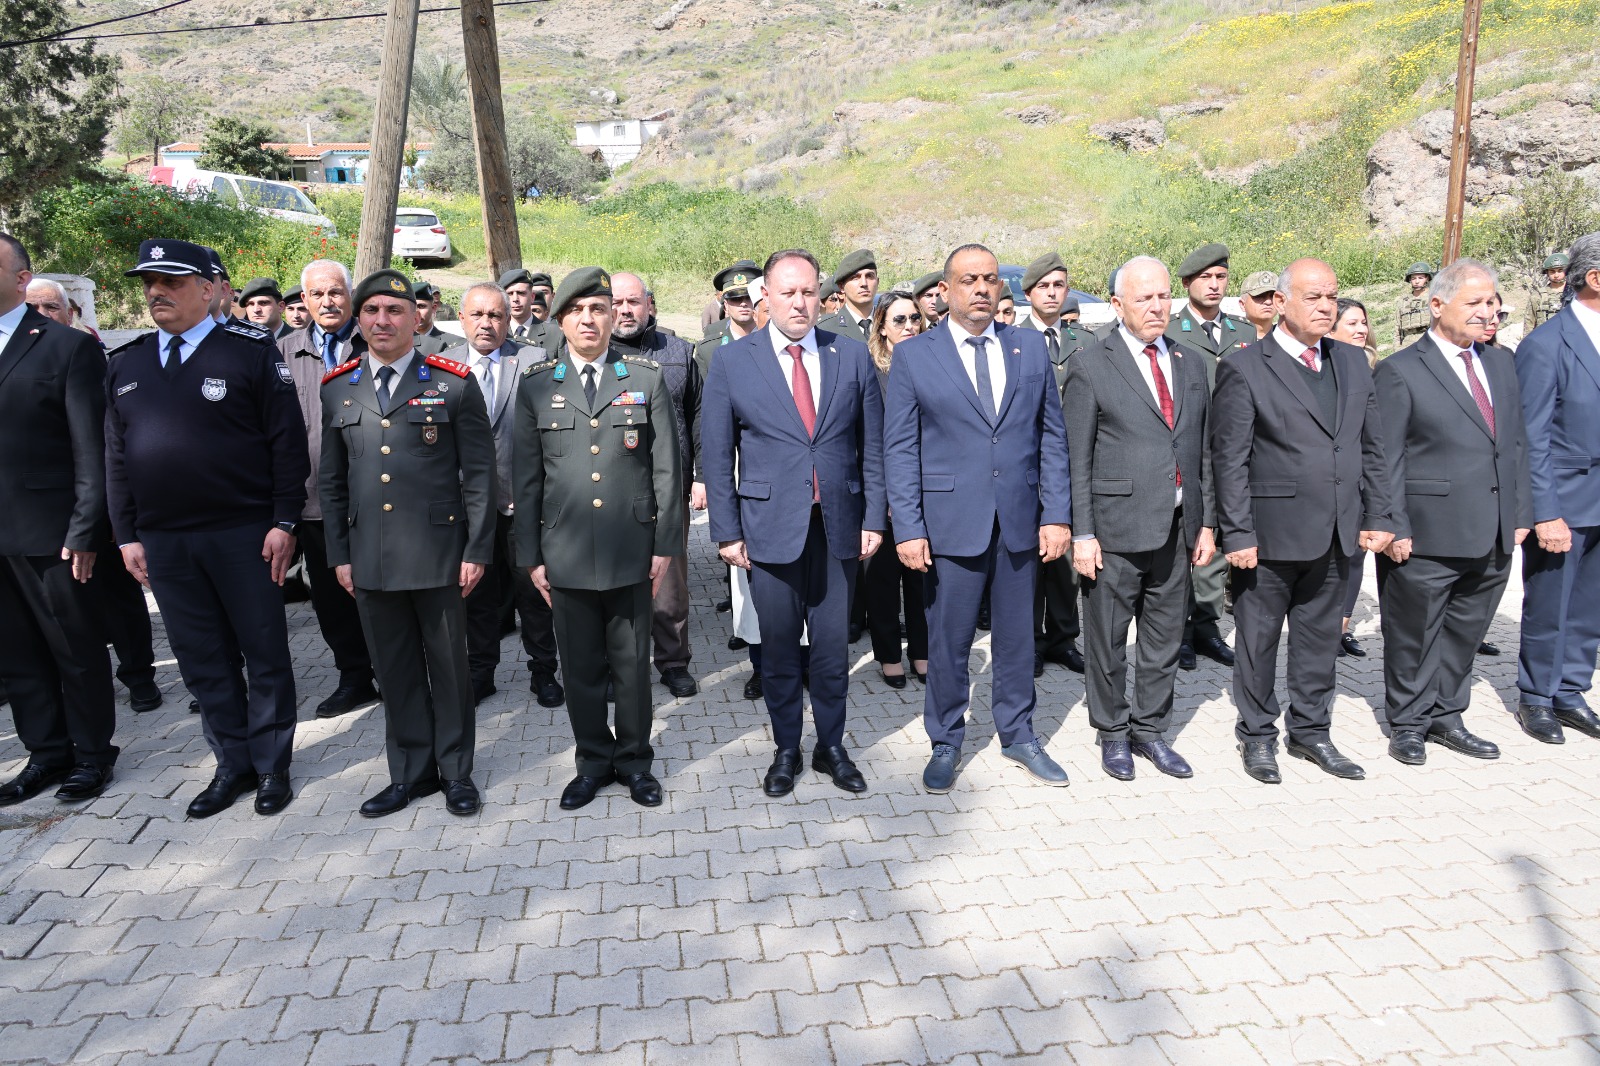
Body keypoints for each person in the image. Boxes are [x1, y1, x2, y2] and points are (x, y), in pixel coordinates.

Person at [105, 238, 309, 819]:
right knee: (201, 658)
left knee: (263, 652)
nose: (156, 292)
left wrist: (284, 520)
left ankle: (271, 765)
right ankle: (232, 763)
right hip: (165, 541)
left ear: (207, 288)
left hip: (244, 533)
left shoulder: (248, 351)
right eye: (149, 283)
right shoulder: (126, 362)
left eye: (170, 282)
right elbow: (115, 457)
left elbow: (287, 444)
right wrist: (126, 535)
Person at [884, 243, 1073, 793]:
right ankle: (945, 739)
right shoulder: (916, 355)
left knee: (1017, 638)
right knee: (949, 640)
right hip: (949, 524)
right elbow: (900, 449)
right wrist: (909, 527)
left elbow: (1051, 437)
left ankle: (1018, 734)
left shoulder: (1028, 347)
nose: (983, 288)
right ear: (946, 290)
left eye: (990, 278)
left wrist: (1057, 515)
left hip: (1019, 520)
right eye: (969, 280)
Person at [702, 249, 884, 796]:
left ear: (821, 294)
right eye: (788, 292)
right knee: (779, 649)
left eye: (808, 291)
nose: (800, 302)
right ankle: (786, 749)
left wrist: (875, 518)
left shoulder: (851, 356)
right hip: (768, 529)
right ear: (767, 297)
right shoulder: (733, 362)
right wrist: (727, 532)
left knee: (831, 650)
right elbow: (718, 454)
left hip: (838, 528)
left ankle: (831, 747)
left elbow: (873, 447)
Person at [319, 269, 496, 818]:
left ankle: (456, 772)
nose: (382, 321)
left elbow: (480, 476)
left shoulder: (453, 383)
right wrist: (339, 555)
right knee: (394, 672)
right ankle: (410, 774)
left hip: (439, 555)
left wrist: (477, 550)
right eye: (371, 311)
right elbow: (331, 482)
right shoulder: (338, 387)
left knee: (449, 669)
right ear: (358, 319)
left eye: (394, 310)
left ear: (416, 319)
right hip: (370, 557)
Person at [1212, 258, 1394, 785]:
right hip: (1269, 537)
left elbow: (1374, 446)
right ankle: (1257, 735)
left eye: (1332, 296)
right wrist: (1237, 532)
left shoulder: (1352, 361)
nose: (1325, 306)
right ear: (1281, 302)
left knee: (1319, 643)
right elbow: (1230, 459)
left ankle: (1311, 732)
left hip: (1337, 532)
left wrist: (1379, 513)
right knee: (1258, 642)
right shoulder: (1246, 367)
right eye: (1313, 297)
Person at [514, 268, 684, 812]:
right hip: (563, 551)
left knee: (632, 666)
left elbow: (667, 471)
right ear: (560, 319)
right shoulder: (537, 384)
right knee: (581, 667)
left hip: (631, 548)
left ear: (613, 317)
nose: (589, 319)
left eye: (599, 309)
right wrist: (530, 557)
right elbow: (526, 480)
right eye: (578, 310)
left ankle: (634, 762)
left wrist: (664, 545)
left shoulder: (645, 378)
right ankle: (591, 761)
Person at [1373, 259, 1531, 767]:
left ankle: (1447, 715)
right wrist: (1393, 524)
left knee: (1465, 631)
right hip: (1426, 532)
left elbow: (1515, 444)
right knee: (1414, 634)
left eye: (1492, 303)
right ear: (1437, 305)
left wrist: (1521, 512)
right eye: (1475, 303)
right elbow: (1385, 457)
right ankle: (1408, 723)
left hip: (1492, 529)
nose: (1488, 312)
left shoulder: (1500, 364)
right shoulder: (1400, 369)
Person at [1066, 256, 1215, 781]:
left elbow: (1202, 450)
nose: (1156, 307)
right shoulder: (1090, 365)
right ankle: (1112, 733)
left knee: (1164, 638)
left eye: (1163, 296)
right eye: (1143, 297)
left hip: (1177, 529)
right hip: (1114, 530)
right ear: (1117, 304)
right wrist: (1083, 533)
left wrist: (1207, 523)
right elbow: (1076, 460)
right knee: (1107, 640)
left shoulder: (1189, 363)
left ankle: (1150, 731)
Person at [0, 233, 120, 807]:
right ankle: (47, 752)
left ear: (21, 277)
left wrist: (85, 528)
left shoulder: (64, 347)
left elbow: (90, 449)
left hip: (51, 531)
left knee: (74, 648)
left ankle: (93, 754)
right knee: (17, 653)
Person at [443, 282, 562, 708]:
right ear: (462, 319)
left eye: (495, 315)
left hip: (521, 503)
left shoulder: (533, 359)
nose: (486, 323)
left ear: (508, 319)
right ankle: (481, 673)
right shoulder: (442, 365)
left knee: (534, 592)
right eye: (477, 315)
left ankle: (543, 670)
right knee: (475, 593)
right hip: (465, 507)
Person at [278, 260, 379, 718]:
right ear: (303, 300)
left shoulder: (376, 340)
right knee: (332, 598)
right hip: (316, 501)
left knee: (384, 591)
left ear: (350, 295)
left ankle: (396, 672)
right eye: (317, 294)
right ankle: (354, 677)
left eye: (335, 292)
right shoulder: (281, 353)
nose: (327, 301)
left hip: (378, 496)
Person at [1515, 231, 1600, 745]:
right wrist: (1545, 511)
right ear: (1595, 278)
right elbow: (1532, 437)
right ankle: (1537, 697)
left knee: (1589, 606)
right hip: (1565, 499)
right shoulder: (1546, 344)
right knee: (1550, 604)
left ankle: (1571, 691)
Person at [610, 272, 703, 699]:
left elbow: (699, 415)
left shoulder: (679, 351)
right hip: (612, 490)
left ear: (649, 304)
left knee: (669, 584)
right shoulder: (593, 353)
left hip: (669, 487)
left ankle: (673, 661)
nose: (624, 310)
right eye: (616, 302)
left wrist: (701, 476)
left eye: (633, 301)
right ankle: (623, 665)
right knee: (616, 582)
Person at [1166, 243, 1246, 672]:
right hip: (1188, 448)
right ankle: (1177, 629)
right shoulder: (1171, 332)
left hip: (1233, 450)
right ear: (1187, 284)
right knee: (1185, 540)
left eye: (1221, 277)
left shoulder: (1243, 332)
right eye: (1205, 278)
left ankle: (1207, 626)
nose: (1214, 285)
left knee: (1216, 543)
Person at [1018, 251, 1086, 675]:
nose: (1052, 293)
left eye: (1059, 285)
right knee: (1028, 559)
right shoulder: (1012, 340)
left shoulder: (1084, 341)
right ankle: (1030, 641)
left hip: (1072, 461)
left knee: (1065, 561)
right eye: (1043, 286)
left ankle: (1063, 638)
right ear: (1028, 294)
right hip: (1027, 462)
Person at [862, 292, 928, 689]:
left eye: (915, 318)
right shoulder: (870, 371)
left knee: (923, 580)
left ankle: (922, 652)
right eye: (899, 320)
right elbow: (868, 442)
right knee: (883, 582)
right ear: (882, 328)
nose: (909, 326)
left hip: (927, 491)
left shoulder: (933, 363)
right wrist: (884, 497)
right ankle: (889, 656)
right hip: (881, 492)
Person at [1330, 297, 1377, 659]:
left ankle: (1341, 628)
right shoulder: (1323, 368)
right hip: (1331, 477)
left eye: (1364, 323)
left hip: (1362, 474)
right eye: (1352, 323)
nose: (1361, 329)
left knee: (1356, 554)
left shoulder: (1373, 366)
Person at [823, 249, 877, 342]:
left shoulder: (893, 323)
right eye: (855, 278)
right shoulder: (825, 328)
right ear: (841, 286)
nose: (864, 283)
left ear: (877, 282)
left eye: (869, 276)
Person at [1526, 253, 1568, 334]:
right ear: (1547, 272)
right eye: (1552, 271)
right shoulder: (1538, 296)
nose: (1556, 275)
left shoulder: (1575, 294)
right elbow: (1529, 324)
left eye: (1560, 270)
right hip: (1544, 339)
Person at [1395, 263, 1434, 350]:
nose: (1417, 281)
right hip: (1407, 344)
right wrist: (1397, 349)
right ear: (1410, 280)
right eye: (1413, 278)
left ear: (1427, 278)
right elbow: (1397, 328)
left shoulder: (1433, 298)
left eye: (1420, 278)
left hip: (1428, 342)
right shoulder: (1403, 300)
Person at [413, 281, 452, 357]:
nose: (417, 313)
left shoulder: (452, 344)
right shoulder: (397, 343)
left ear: (433, 308)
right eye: (412, 307)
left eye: (421, 306)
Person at [1239, 271, 1279, 340]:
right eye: (1260, 296)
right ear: (1242, 304)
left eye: (1273, 296)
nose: (1268, 302)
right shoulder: (1229, 338)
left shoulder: (1287, 339)